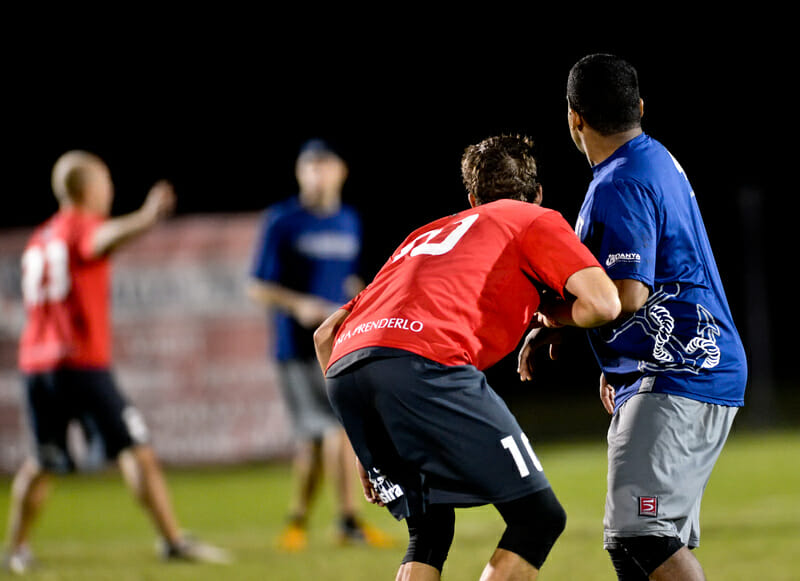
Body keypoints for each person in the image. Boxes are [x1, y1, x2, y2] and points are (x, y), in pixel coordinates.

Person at [313, 135, 622, 580]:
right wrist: (548, 316)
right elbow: (604, 303)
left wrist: (363, 439)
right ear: (536, 195)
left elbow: (327, 334)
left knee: (430, 529)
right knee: (538, 517)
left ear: (472, 199)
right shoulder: (532, 218)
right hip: (423, 363)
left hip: (348, 371)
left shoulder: (424, 234)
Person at [518, 54, 747, 581]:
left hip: (681, 374)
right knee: (639, 545)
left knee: (641, 534)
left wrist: (550, 319)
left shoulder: (620, 181)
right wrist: (618, 357)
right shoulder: (655, 158)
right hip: (678, 368)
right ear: (639, 107)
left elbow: (626, 294)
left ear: (574, 118)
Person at [4, 150, 231, 574]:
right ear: (86, 188)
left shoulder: (42, 235)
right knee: (136, 448)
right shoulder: (79, 227)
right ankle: (173, 541)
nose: (109, 188)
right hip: (79, 363)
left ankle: (15, 548)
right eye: (105, 180)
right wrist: (146, 216)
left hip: (36, 365)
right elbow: (99, 240)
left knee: (43, 459)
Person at [247, 138, 394, 551]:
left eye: (323, 165)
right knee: (337, 427)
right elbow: (257, 286)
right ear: (299, 173)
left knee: (314, 438)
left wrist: (360, 297)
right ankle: (348, 520)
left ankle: (297, 521)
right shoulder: (283, 220)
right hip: (295, 346)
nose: (316, 173)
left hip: (338, 341)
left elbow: (345, 279)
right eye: (308, 166)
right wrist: (299, 305)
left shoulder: (348, 219)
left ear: (341, 171)